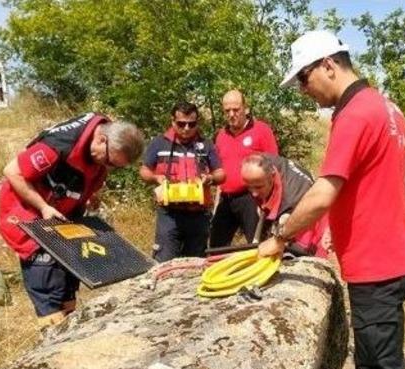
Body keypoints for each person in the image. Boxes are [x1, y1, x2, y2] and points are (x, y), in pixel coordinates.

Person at [258, 30, 405, 369]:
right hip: (389, 253)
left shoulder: (353, 115)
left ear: (328, 64)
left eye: (305, 80)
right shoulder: (387, 107)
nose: (306, 92)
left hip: (377, 263)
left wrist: (281, 234)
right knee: (376, 367)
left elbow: (325, 190)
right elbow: (373, 183)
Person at [0, 112, 145, 327]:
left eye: (115, 166)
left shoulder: (100, 144)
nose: (108, 167)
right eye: (109, 160)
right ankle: (52, 331)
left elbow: (86, 172)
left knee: (70, 267)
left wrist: (90, 193)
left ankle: (68, 324)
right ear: (102, 139)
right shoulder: (58, 145)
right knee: (46, 274)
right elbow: (12, 172)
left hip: (62, 209)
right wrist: (43, 207)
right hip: (29, 209)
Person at [140, 101, 225, 261]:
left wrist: (210, 178)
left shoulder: (205, 145)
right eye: (181, 124)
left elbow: (221, 173)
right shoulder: (159, 142)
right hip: (169, 215)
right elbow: (144, 170)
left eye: (191, 124)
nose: (186, 128)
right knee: (164, 262)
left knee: (196, 264)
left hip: (198, 215)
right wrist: (155, 177)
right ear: (172, 121)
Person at [210, 90, 280, 247]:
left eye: (236, 109)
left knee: (257, 246)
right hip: (226, 199)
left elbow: (275, 166)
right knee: (215, 246)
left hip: (252, 198)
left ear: (246, 108)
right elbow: (219, 168)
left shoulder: (262, 130)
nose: (231, 114)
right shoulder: (221, 135)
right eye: (227, 111)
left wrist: (267, 202)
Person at [240, 153, 329, 258]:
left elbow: (283, 235)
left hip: (309, 218)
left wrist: (277, 241)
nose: (253, 193)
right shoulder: (265, 162)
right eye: (249, 187)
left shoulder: (292, 198)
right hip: (287, 202)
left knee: (299, 252)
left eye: (258, 187)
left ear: (272, 176)